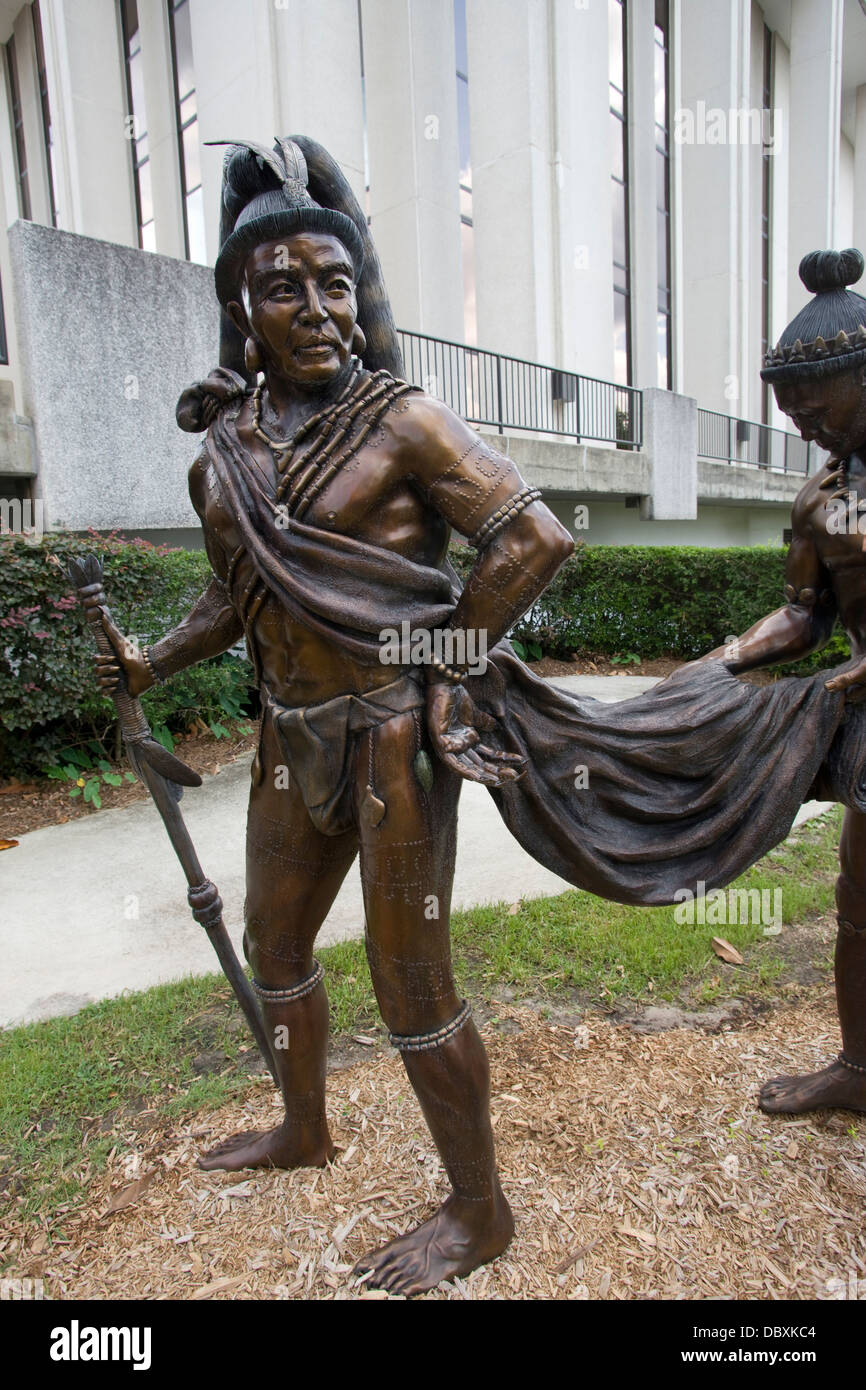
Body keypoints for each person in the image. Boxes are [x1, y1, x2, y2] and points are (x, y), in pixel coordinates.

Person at [94, 135, 574, 1296]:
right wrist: (150, 664)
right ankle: (303, 1125)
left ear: (359, 299)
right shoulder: (224, 459)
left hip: (392, 741)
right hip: (286, 735)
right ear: (239, 310)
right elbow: (232, 593)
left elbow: (534, 537)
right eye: (280, 287)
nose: (313, 308)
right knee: (274, 947)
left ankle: (478, 1207)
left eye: (334, 282)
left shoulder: (401, 419)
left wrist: (444, 657)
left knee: (411, 985)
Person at [699, 246, 866, 1116]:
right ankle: (859, 1070)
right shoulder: (822, 496)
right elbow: (805, 616)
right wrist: (726, 659)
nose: (800, 423)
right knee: (860, 909)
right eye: (788, 409)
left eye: (813, 404)